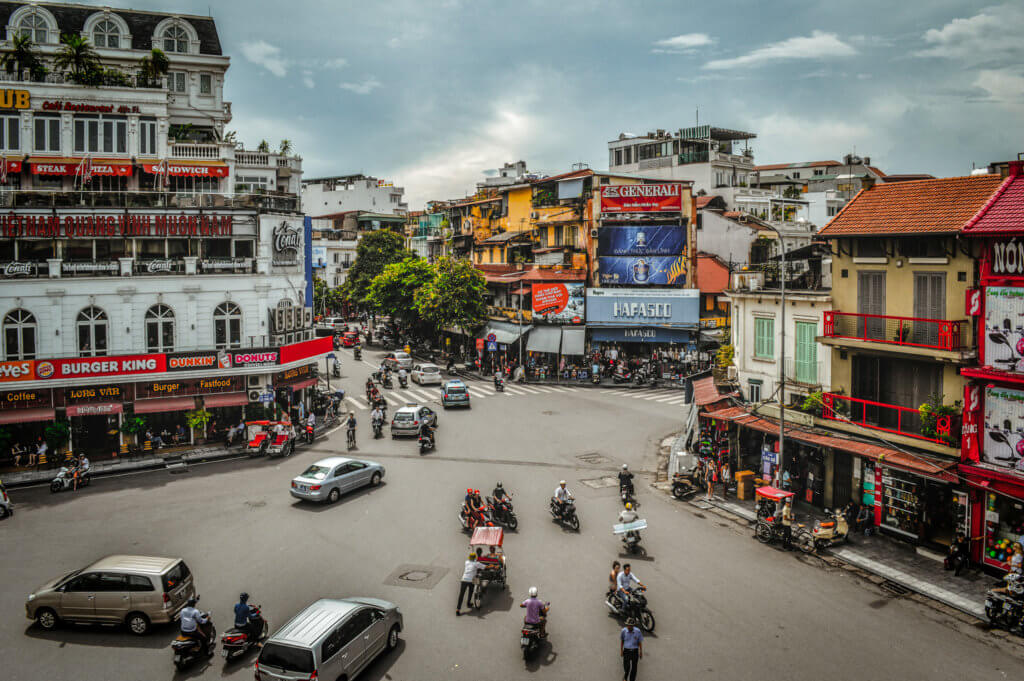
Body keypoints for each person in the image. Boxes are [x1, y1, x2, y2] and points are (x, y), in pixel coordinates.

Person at [620, 617, 643, 681]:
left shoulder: (637, 631)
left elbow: (640, 642)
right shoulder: (623, 631)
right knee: (627, 667)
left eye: (631, 626)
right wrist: (621, 650)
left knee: (634, 668)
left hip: (635, 652)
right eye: (628, 625)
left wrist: (641, 652)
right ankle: (625, 678)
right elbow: (622, 641)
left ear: (633, 626)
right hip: (626, 651)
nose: (629, 627)